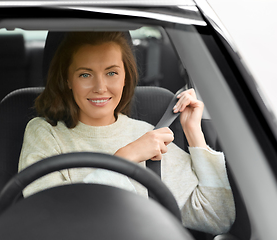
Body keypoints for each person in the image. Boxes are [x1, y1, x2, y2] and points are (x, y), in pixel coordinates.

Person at [18, 32, 235, 235]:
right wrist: (126, 157)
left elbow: (217, 217)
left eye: (111, 73)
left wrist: (193, 132)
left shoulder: (149, 136)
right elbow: (49, 222)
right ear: (67, 81)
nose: (100, 87)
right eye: (85, 74)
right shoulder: (46, 132)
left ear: (125, 77)